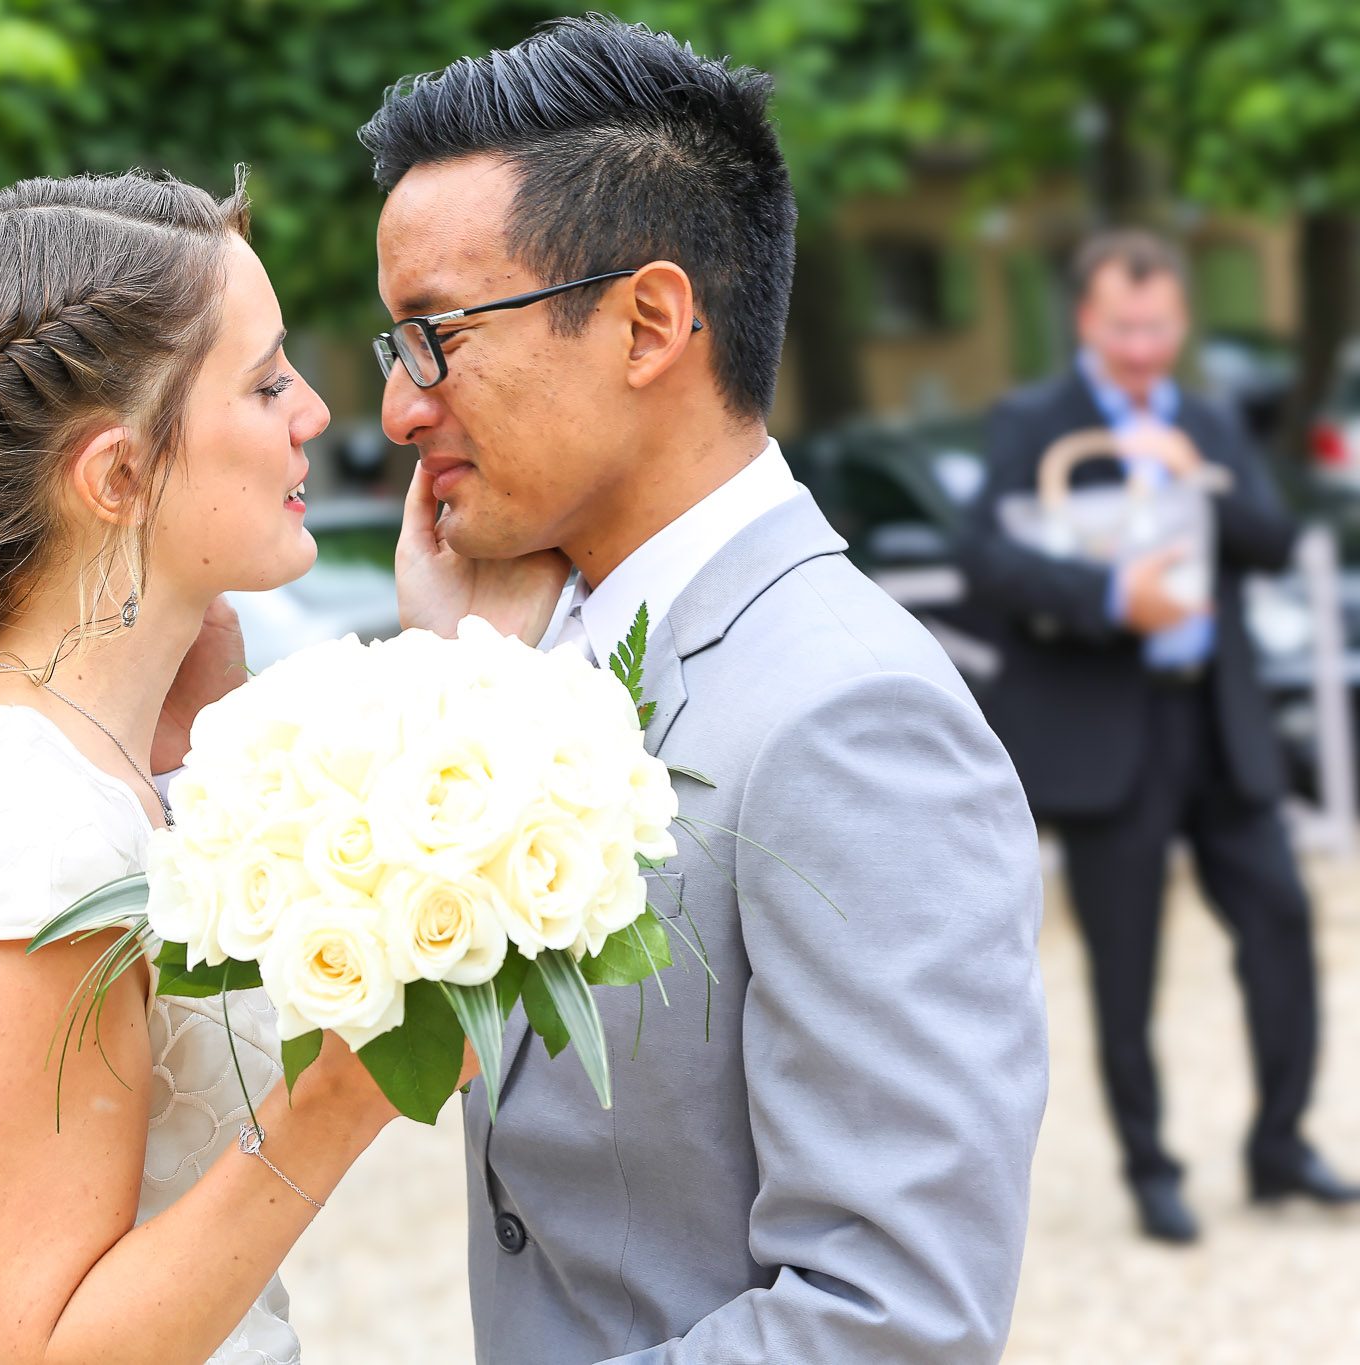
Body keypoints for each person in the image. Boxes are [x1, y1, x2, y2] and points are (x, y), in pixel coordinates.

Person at [366, 18, 1048, 1362]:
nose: (399, 409)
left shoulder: (849, 716)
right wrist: (473, 695)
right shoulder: (530, 655)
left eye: (434, 333)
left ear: (649, 321)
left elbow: (892, 1319)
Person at [0, 172, 463, 1365]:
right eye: (262, 382)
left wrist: (213, 762)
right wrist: (346, 1097)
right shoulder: (21, 822)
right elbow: (45, 1348)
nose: (313, 413)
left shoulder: (68, 753)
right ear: (116, 477)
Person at [959, 229, 1359, 1242]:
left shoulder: (1211, 422)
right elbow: (983, 562)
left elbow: (1274, 541)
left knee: (1277, 922)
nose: (1139, 345)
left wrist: (1204, 481)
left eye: (1155, 326)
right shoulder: (1034, 419)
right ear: (1087, 321)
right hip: (1104, 733)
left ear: (1178, 323)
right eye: (1120, 325)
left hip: (1217, 724)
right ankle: (1149, 1166)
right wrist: (1103, 595)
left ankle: (1278, 1145)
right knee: (1123, 966)